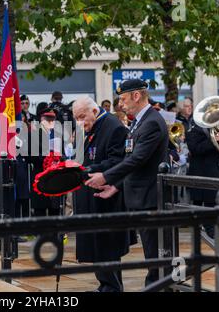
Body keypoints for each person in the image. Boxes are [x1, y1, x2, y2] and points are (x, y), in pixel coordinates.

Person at [84, 79, 169, 286]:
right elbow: (133, 161)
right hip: (139, 198)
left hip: (150, 199)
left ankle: (158, 288)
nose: (120, 104)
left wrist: (106, 177)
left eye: (123, 99)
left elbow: (137, 159)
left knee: (157, 256)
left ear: (136, 96)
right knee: (153, 255)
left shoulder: (151, 122)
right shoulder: (140, 121)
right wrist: (116, 186)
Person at [72, 97, 129, 292]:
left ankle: (111, 287)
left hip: (106, 196)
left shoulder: (114, 127)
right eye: (76, 118)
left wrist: (89, 168)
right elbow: (78, 157)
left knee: (106, 246)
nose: (79, 122)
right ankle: (105, 285)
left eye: (82, 117)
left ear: (94, 112)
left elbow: (118, 162)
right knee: (95, 246)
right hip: (88, 193)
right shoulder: (84, 127)